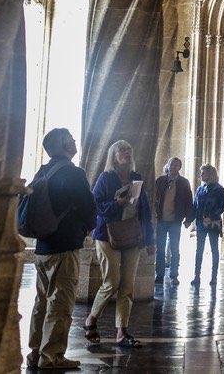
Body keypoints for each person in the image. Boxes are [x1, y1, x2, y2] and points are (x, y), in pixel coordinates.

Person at [26, 128, 96, 371]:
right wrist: (88, 227)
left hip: (43, 246)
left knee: (41, 301)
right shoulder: (74, 173)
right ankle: (52, 356)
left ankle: (35, 352)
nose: (75, 141)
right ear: (65, 145)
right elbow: (89, 208)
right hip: (65, 246)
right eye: (72, 139)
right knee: (61, 303)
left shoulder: (43, 170)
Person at [83, 140, 154, 348]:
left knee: (127, 285)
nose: (126, 153)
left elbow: (145, 210)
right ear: (113, 156)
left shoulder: (136, 178)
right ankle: (92, 319)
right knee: (111, 282)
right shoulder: (106, 178)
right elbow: (95, 206)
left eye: (129, 150)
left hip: (132, 235)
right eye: (122, 150)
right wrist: (117, 203)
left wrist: (150, 239)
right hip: (107, 235)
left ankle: (122, 332)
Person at [152, 156, 194, 286]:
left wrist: (189, 219)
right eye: (172, 164)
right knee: (160, 249)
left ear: (180, 167)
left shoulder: (184, 182)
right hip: (161, 220)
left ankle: (174, 275)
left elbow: (189, 201)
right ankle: (159, 275)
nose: (174, 167)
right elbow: (153, 198)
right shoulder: (160, 181)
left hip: (175, 220)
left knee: (174, 249)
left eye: (177, 165)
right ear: (168, 165)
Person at [192, 164, 224, 287]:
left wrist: (210, 217)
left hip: (213, 224)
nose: (200, 175)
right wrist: (191, 219)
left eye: (203, 173)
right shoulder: (200, 189)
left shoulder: (219, 189)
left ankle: (214, 277)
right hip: (201, 224)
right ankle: (196, 276)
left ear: (210, 174)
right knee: (199, 250)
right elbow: (195, 205)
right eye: (201, 173)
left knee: (214, 250)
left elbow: (222, 205)